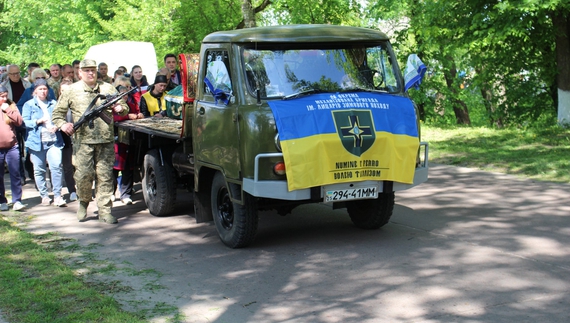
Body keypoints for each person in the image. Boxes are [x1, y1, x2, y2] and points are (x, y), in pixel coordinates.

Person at [52, 59, 128, 224]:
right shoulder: (72, 90)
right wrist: (64, 124)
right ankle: (83, 202)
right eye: (86, 70)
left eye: (93, 70)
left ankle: (105, 211)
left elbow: (124, 106)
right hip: (83, 142)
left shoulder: (107, 88)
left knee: (105, 176)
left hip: (105, 141)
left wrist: (120, 108)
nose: (90, 73)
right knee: (84, 176)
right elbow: (57, 114)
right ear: (80, 72)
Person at [22, 79, 66, 207]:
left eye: (45, 89)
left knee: (56, 167)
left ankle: (58, 196)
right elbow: (24, 122)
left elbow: (60, 118)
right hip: (37, 141)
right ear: (35, 91)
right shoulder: (29, 105)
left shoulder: (53, 103)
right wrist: (37, 121)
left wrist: (57, 126)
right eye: (40, 89)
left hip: (54, 140)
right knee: (39, 169)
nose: (43, 91)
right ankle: (44, 195)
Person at [112, 76, 143, 205]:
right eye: (122, 93)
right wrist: (127, 116)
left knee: (128, 168)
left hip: (130, 140)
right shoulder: (112, 106)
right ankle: (110, 193)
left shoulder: (131, 104)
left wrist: (139, 115)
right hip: (116, 141)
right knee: (113, 169)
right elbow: (114, 118)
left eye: (126, 93)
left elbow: (138, 113)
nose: (124, 96)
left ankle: (126, 194)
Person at [0, 85, 25, 211]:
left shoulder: (11, 105)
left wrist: (8, 110)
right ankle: (1, 201)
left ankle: (17, 200)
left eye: (5, 96)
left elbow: (19, 122)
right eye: (1, 96)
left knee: (15, 173)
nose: (4, 99)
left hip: (12, 146)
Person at [57, 79, 77, 201]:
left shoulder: (78, 104)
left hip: (78, 138)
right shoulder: (57, 104)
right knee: (68, 166)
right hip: (64, 139)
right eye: (63, 90)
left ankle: (82, 189)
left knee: (80, 165)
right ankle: (72, 190)